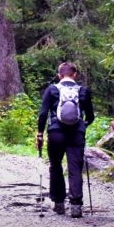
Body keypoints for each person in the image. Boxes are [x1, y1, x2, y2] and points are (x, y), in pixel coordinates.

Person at [36, 62, 94, 218]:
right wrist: (82, 125)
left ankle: (59, 203)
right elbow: (90, 116)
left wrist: (40, 134)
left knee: (55, 166)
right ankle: (76, 205)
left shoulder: (52, 89)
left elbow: (43, 114)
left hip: (56, 133)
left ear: (59, 75)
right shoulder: (83, 91)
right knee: (75, 168)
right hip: (76, 134)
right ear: (75, 75)